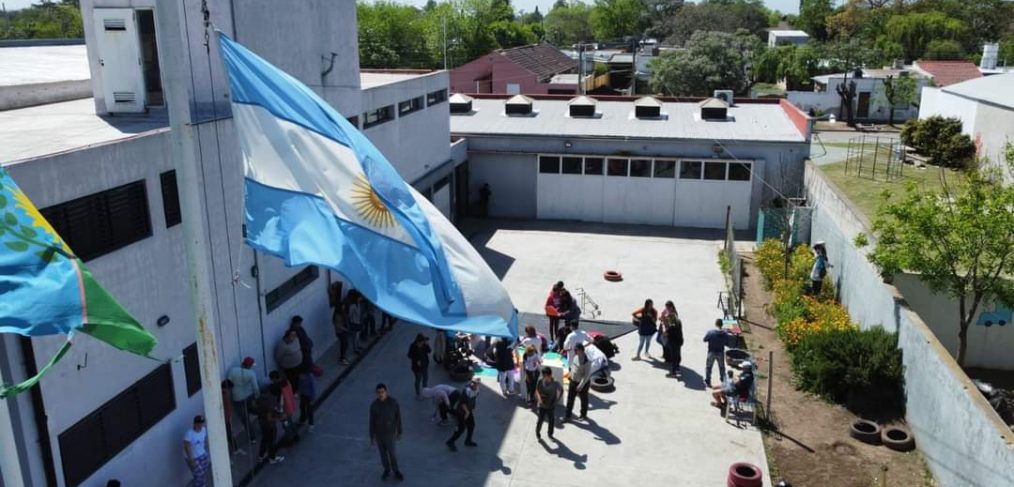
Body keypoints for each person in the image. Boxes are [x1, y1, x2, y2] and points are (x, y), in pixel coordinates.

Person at [370, 383, 404, 480]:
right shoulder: (374, 406)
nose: (380, 394)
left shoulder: (393, 403)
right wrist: (372, 436)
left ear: (386, 392)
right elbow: (371, 421)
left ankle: (396, 470)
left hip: (390, 434)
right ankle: (387, 469)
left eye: (382, 392)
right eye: (378, 392)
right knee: (383, 454)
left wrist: (399, 431)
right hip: (379, 435)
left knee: (392, 453)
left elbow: (398, 418)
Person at [226, 356, 259, 442]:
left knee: (245, 420)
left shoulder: (233, 370)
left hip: (237, 399)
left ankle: (252, 438)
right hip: (249, 397)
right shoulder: (251, 373)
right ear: (249, 366)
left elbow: (228, 384)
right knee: (256, 410)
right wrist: (257, 398)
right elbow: (255, 388)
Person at [446, 378, 480, 451]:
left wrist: (472, 409)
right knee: (461, 428)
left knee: (471, 425)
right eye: (473, 382)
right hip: (461, 411)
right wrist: (467, 412)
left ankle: (468, 441)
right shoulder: (467, 390)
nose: (474, 384)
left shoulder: (477, 390)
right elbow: (462, 403)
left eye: (476, 383)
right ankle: (450, 442)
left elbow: (473, 399)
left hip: (469, 410)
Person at [269, 372, 300, 442]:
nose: (272, 381)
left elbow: (280, 401)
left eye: (272, 380)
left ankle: (290, 438)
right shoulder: (287, 382)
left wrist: (279, 411)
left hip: (284, 410)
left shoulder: (279, 388)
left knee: (286, 424)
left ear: (274, 379)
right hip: (290, 406)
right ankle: (296, 435)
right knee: (290, 421)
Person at [564, 344, 592, 422]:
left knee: (583, 399)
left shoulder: (587, 361)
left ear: (581, 350)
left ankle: (583, 414)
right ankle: (567, 416)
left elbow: (586, 376)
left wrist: (581, 385)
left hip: (582, 384)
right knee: (570, 400)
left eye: (576, 350)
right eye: (575, 350)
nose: (575, 351)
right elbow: (573, 367)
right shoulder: (576, 357)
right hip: (573, 381)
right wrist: (570, 374)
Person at [255, 392, 285, 464]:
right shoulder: (269, 405)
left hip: (262, 424)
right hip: (270, 426)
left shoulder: (260, 402)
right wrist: (279, 418)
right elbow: (269, 418)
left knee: (264, 440)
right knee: (271, 442)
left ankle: (261, 456)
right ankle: (272, 458)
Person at [535, 366, 563, 441]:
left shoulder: (555, 383)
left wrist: (556, 400)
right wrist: (539, 399)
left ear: (550, 375)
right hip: (542, 406)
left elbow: (561, 390)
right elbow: (537, 391)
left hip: (551, 406)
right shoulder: (540, 381)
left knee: (551, 420)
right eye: (543, 376)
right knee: (540, 421)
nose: (544, 378)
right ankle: (538, 433)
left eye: (545, 376)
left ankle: (550, 434)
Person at [183, 415, 210, 487]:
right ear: (195, 424)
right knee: (199, 474)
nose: (201, 425)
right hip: (193, 457)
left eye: (202, 423)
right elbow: (186, 447)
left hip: (202, 454)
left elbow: (204, 441)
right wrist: (191, 460)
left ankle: (201, 485)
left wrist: (205, 451)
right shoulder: (189, 433)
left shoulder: (204, 430)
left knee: (203, 473)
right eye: (199, 423)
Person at [221, 379, 245, 455]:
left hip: (224, 418)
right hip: (225, 419)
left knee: (228, 434)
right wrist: (229, 417)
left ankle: (235, 449)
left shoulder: (221, 394)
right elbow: (228, 407)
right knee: (229, 434)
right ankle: (235, 449)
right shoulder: (225, 395)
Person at [704, 319, 730, 387]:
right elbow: (727, 343)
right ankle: (723, 380)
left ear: (715, 324)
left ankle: (708, 381)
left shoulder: (710, 332)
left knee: (709, 367)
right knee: (721, 367)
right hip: (720, 352)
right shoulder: (725, 334)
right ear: (722, 324)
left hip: (711, 352)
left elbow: (704, 339)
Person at [662, 304, 684, 378]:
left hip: (673, 343)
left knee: (674, 357)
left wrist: (664, 329)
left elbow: (665, 334)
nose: (668, 320)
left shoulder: (671, 327)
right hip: (679, 341)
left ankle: (673, 372)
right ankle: (677, 368)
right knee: (678, 355)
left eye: (668, 319)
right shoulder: (679, 322)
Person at [545, 282, 565, 348]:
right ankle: (551, 338)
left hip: (557, 313)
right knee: (551, 326)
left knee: (556, 326)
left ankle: (556, 337)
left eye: (556, 291)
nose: (555, 293)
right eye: (554, 291)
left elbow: (562, 303)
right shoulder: (551, 296)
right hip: (552, 313)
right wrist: (549, 311)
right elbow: (547, 305)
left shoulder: (560, 296)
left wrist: (560, 308)